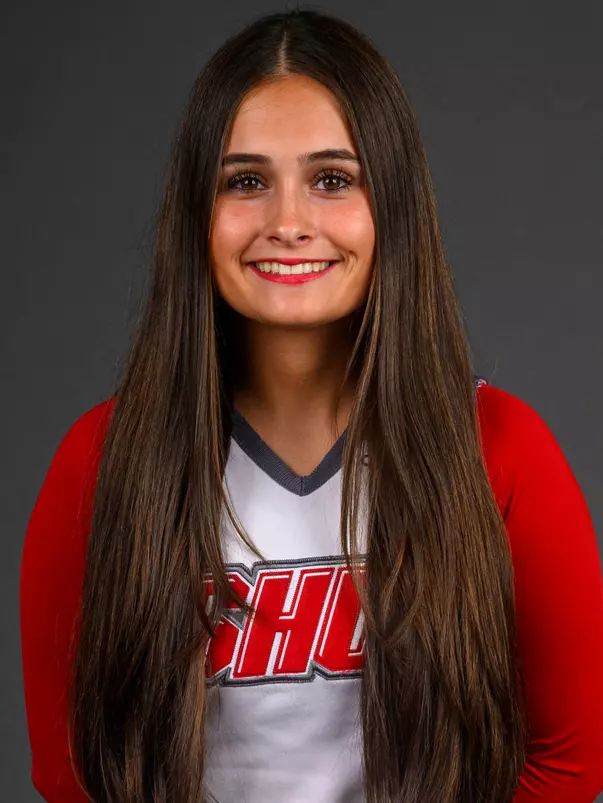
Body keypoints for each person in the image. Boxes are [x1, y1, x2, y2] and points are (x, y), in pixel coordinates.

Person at [20, 8, 603, 803]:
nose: (287, 223)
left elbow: (565, 765)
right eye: (245, 181)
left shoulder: (499, 447)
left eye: (332, 179)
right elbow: (71, 772)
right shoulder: (102, 459)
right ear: (196, 211)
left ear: (390, 203)